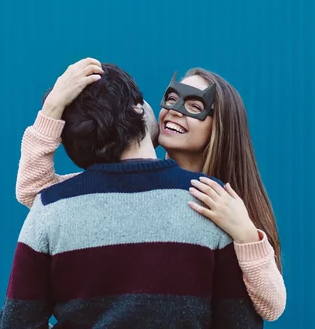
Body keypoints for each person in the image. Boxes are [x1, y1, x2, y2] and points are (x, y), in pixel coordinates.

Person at [16, 58, 286, 321]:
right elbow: (36, 192)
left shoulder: (227, 207)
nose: (176, 110)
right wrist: (52, 109)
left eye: (195, 105)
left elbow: (270, 307)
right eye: (171, 99)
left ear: (221, 126)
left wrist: (248, 235)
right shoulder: (117, 186)